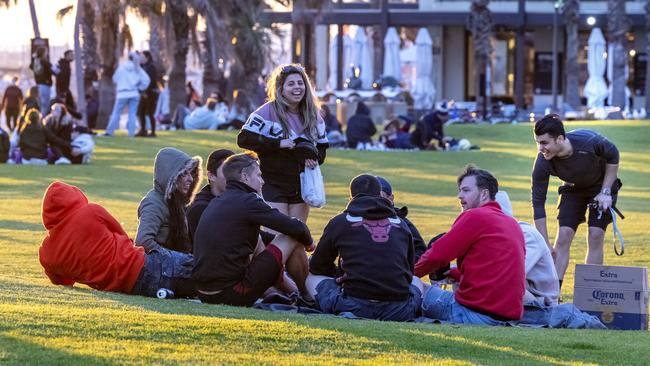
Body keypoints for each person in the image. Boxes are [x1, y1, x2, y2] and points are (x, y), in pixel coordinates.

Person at [237, 63, 328, 298]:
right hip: (272, 183)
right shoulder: (267, 112)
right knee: (277, 236)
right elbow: (244, 139)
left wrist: (313, 158)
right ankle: (274, 286)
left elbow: (322, 150)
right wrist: (278, 144)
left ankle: (302, 291)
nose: (297, 88)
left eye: (300, 83)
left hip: (301, 185)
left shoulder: (312, 114)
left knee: (297, 239)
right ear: (280, 87)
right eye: (291, 84)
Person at [192, 152, 314, 307]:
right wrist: (309, 244)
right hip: (232, 293)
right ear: (245, 177)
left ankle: (289, 290)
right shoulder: (248, 201)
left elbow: (259, 237)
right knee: (292, 237)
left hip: (204, 292)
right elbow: (296, 227)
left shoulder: (218, 201)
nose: (262, 181)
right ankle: (306, 296)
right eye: (259, 175)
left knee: (258, 239)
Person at [39, 181, 195, 298]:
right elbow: (122, 234)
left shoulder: (46, 253)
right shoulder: (91, 211)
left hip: (131, 288)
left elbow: (63, 281)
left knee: (195, 285)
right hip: (144, 264)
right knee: (204, 269)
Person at [415, 165, 525, 324]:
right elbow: (494, 271)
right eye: (460, 190)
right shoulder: (512, 223)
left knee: (416, 286)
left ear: (484, 193)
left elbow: (436, 256)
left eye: (466, 191)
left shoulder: (475, 216)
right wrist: (453, 274)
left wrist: (408, 274)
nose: (459, 195)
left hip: (473, 314)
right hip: (507, 317)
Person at [306, 174, 423, 321]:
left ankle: (305, 300)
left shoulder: (340, 222)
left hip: (353, 306)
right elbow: (408, 271)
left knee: (310, 277)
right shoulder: (401, 224)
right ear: (380, 195)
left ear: (351, 198)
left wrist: (340, 275)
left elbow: (317, 266)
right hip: (399, 310)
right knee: (416, 281)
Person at [532, 114, 621, 288]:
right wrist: (544, 244)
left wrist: (606, 191)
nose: (540, 148)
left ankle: (590, 293)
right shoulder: (543, 162)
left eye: (544, 143)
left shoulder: (589, 142)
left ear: (559, 139)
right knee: (563, 236)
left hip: (601, 187)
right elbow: (538, 203)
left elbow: (613, 155)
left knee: (595, 235)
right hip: (573, 189)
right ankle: (553, 295)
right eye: (537, 142)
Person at [495, 191, 559, 306]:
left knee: (507, 280)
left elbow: (514, 273)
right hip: (521, 293)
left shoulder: (527, 235)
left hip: (542, 303)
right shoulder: (493, 236)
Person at [135, 147, 202, 254]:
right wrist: (175, 259)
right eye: (184, 173)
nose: (191, 179)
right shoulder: (154, 203)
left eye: (191, 173)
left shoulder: (177, 200)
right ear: (171, 176)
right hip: (159, 269)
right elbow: (143, 242)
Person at [186, 148, 235, 242]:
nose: (234, 176)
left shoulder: (235, 199)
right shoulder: (201, 208)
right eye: (227, 171)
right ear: (211, 176)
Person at [375, 176, 427, 262]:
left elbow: (420, 251)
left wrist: (403, 268)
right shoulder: (352, 221)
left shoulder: (402, 223)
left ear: (391, 198)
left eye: (379, 197)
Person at [103, 51, 150, 137]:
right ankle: (131, 133)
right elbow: (146, 80)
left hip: (122, 94)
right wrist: (140, 88)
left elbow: (115, 79)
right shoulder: (137, 69)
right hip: (134, 93)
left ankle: (109, 132)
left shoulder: (121, 68)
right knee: (132, 114)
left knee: (116, 113)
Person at [136, 51, 160, 137]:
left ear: (147, 57)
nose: (140, 58)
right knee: (140, 112)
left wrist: (146, 92)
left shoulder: (151, 67)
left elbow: (152, 81)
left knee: (150, 113)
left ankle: (153, 132)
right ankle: (143, 130)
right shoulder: (143, 67)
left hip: (150, 94)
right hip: (144, 93)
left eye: (142, 56)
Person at [29, 47, 54, 116]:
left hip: (38, 85)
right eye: (46, 52)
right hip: (45, 85)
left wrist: (33, 58)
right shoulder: (45, 62)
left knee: (40, 105)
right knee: (46, 105)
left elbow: (31, 66)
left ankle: (39, 119)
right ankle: (43, 121)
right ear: (43, 53)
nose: (47, 53)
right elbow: (54, 71)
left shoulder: (36, 61)